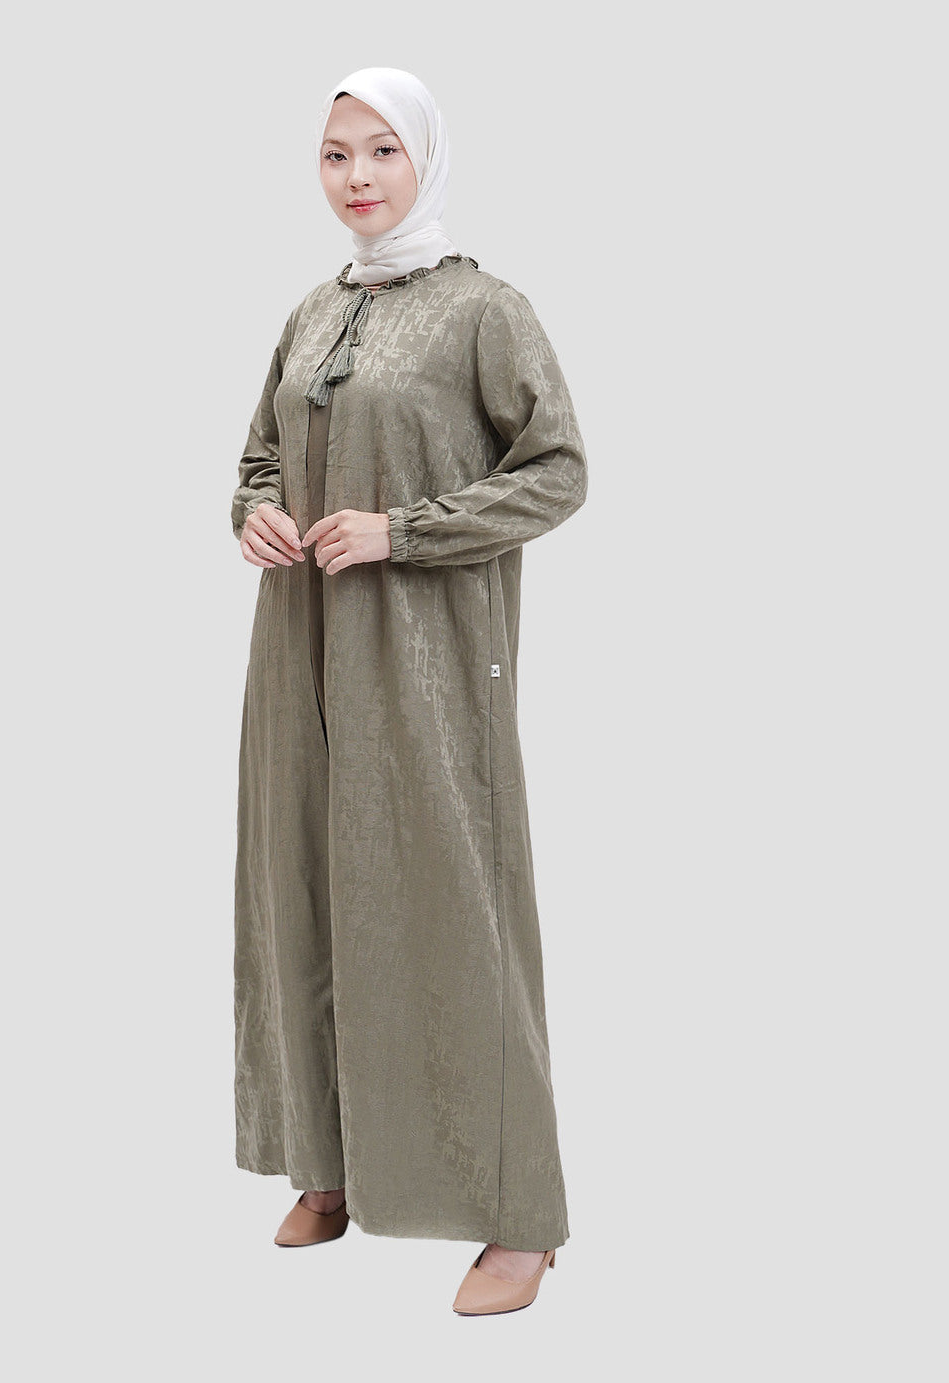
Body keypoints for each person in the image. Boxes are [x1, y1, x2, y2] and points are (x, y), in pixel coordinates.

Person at [231, 66, 587, 1316]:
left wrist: (405, 530)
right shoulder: (312, 311)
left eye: (382, 150)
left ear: (426, 157)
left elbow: (557, 470)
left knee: (450, 913)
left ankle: (521, 1216)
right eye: (336, 154)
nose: (358, 177)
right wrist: (255, 513)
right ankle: (331, 1165)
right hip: (298, 655)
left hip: (427, 663)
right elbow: (260, 454)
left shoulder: (485, 310)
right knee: (304, 897)